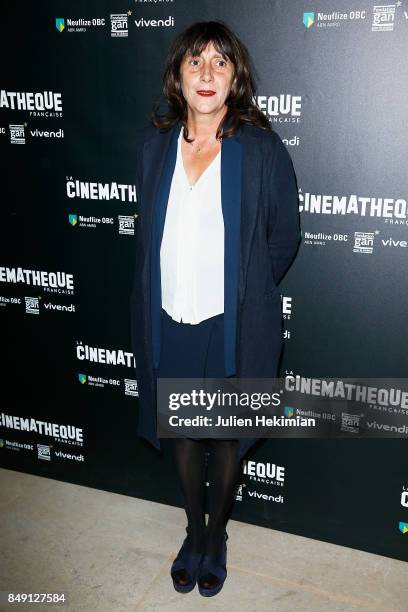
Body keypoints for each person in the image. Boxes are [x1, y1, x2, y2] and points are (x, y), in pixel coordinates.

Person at [129, 20, 301, 597]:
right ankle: (192, 530)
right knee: (182, 431)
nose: (207, 73)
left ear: (236, 77)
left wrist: (245, 293)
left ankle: (217, 537)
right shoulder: (154, 146)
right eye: (195, 62)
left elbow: (284, 236)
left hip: (230, 325)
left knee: (224, 436)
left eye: (220, 63)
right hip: (169, 317)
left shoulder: (259, 147)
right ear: (178, 74)